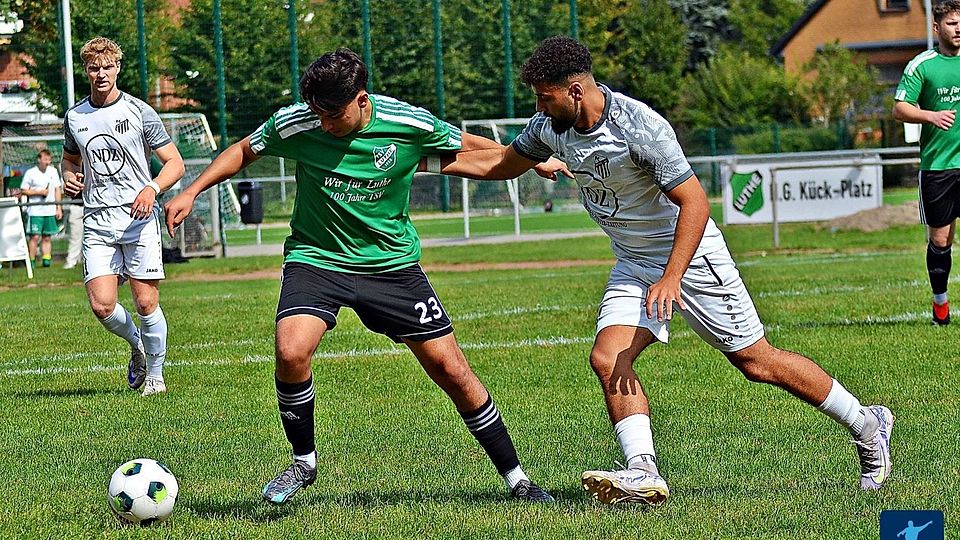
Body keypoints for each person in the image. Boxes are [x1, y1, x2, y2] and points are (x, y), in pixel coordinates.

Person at [440, 36, 895, 505]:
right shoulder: (548, 128)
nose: (537, 105)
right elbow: (501, 163)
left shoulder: (638, 127)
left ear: (575, 91)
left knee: (756, 362)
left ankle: (867, 423)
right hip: (634, 261)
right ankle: (643, 471)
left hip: (691, 256)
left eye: (544, 95)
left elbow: (694, 202)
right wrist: (428, 163)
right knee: (608, 357)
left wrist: (673, 277)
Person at [163, 48, 553, 505]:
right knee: (291, 351)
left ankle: (517, 478)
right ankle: (303, 461)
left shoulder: (408, 123)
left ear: (361, 99)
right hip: (318, 257)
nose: (323, 122)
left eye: (332, 113)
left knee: (452, 369)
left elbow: (465, 146)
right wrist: (190, 190)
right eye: (317, 113)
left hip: (391, 266)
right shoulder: (300, 121)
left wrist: (530, 159)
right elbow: (243, 150)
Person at [61, 37, 185, 397]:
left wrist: (152, 188)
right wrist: (68, 176)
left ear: (118, 68)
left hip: (138, 217)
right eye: (94, 68)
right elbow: (69, 160)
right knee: (102, 305)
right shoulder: (75, 117)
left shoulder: (139, 112)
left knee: (146, 302)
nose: (101, 74)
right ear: (86, 70)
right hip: (97, 219)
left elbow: (174, 163)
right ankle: (138, 346)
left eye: (107, 67)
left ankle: (157, 377)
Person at [893, 0, 960, 326]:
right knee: (940, 240)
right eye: (951, 23)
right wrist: (930, 115)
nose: (958, 29)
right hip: (939, 166)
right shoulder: (922, 65)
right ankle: (940, 303)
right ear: (937, 28)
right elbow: (900, 108)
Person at [19, 149, 63, 268]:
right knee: (35, 236)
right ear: (39, 160)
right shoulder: (31, 173)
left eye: (49, 160)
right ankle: (31, 261)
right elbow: (23, 190)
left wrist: (58, 207)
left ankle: (46, 260)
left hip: (49, 209)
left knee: (47, 236)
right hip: (35, 210)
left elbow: (57, 189)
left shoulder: (53, 172)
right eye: (45, 159)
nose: (47, 162)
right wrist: (39, 192)